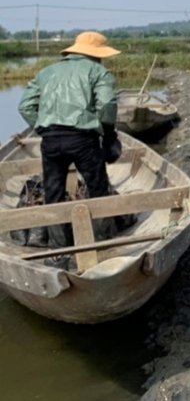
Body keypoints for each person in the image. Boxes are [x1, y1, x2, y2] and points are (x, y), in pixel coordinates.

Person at [18, 32, 123, 248]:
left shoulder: (46, 72)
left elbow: (25, 106)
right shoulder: (99, 72)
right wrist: (109, 134)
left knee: (53, 193)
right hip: (84, 139)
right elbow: (106, 105)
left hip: (51, 141)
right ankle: (103, 243)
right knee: (98, 190)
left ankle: (59, 249)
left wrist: (42, 128)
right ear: (96, 55)